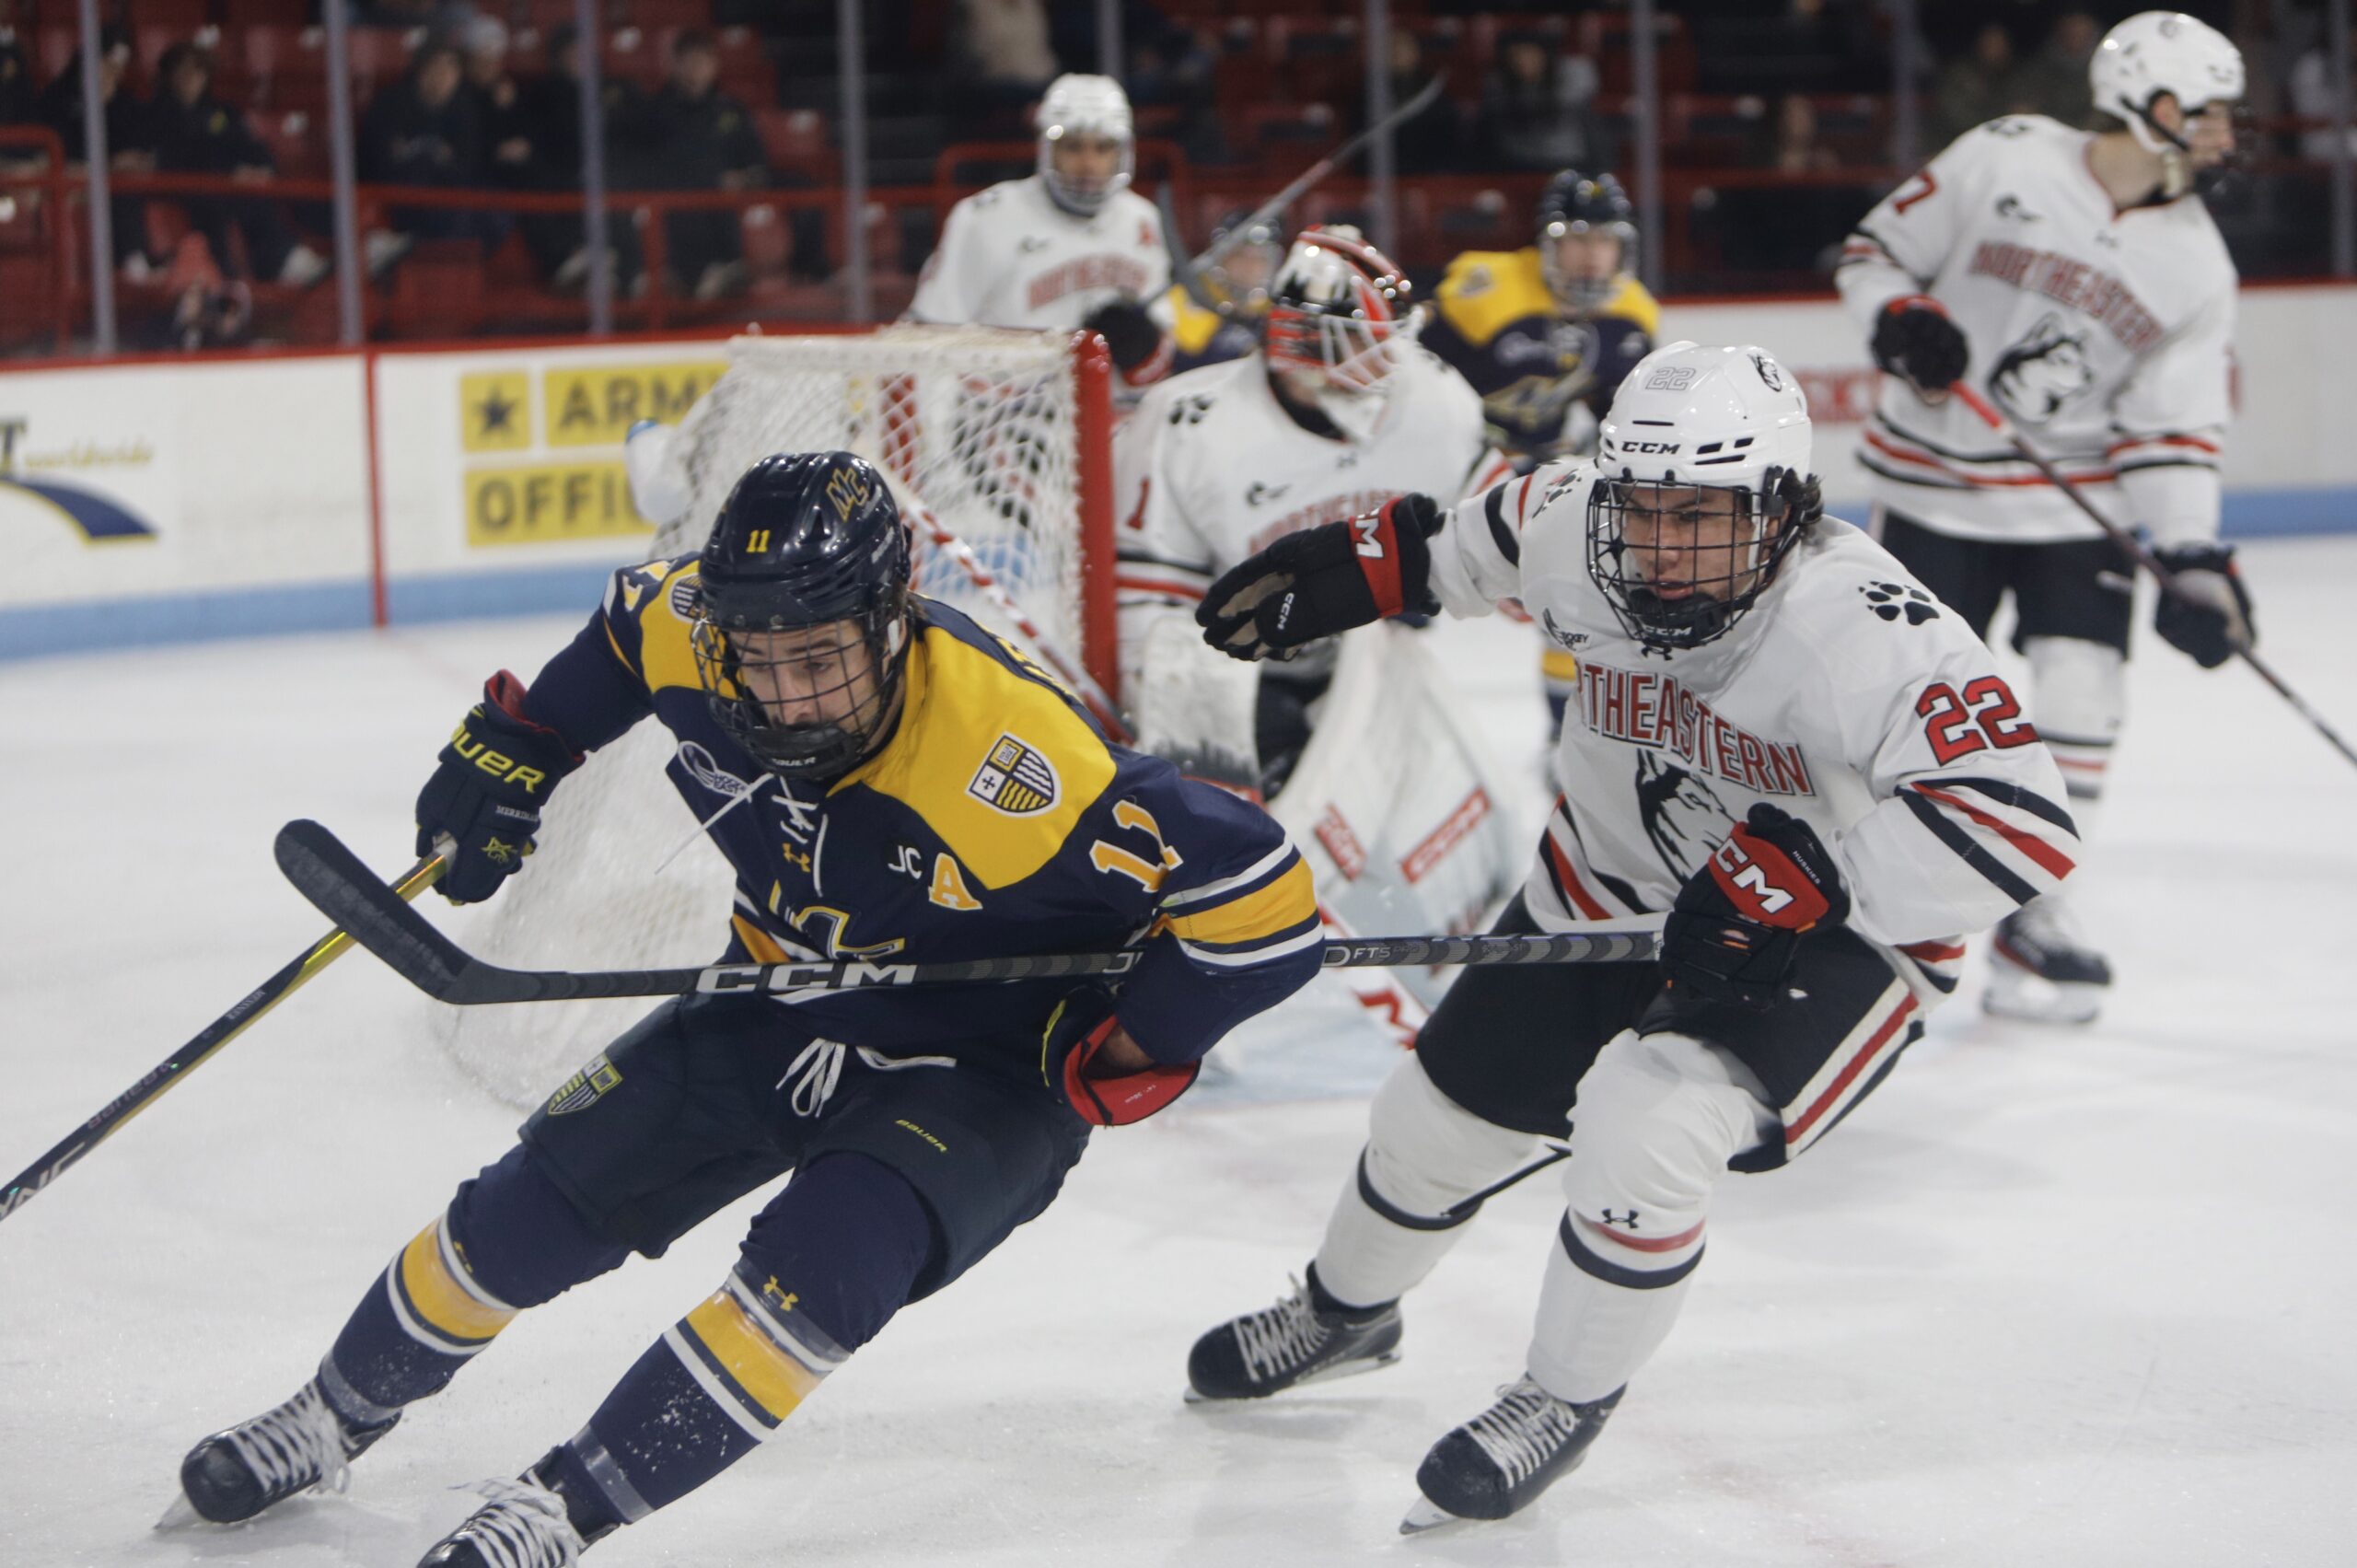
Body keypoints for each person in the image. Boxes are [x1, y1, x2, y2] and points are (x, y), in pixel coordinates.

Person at [166, 451, 1324, 1567]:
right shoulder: (688, 626)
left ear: (890, 619)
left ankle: (552, 1514)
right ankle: (328, 1416)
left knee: (818, 1273)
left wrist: (1130, 1043)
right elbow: (622, 640)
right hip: (773, 993)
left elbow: (1263, 901)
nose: (780, 690)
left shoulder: (1009, 760)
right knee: (526, 1208)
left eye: (818, 656)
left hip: (981, 1065)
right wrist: (524, 742)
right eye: (754, 655)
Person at [1182, 342, 2080, 1531]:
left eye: (1699, 515)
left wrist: (1815, 881)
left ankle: (1563, 1391)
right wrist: (1355, 569)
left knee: (1642, 1119)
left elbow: (2021, 825)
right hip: (1607, 882)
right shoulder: (1572, 523)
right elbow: (1458, 545)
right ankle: (1346, 1311)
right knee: (1426, 1123)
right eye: (1639, 507)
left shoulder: (1866, 627)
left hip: (1829, 935)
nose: (1658, 545)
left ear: (1783, 506)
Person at [1837, 10, 2253, 1025]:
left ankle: (2037, 913)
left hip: (2075, 501)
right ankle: (1866, 913)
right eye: (2201, 112)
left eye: (2224, 117)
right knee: (1901, 714)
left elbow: (2171, 428)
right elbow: (1872, 254)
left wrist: (2191, 554)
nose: (2220, 136)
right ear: (2140, 103)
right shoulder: (2004, 154)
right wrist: (1899, 322)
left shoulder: (2197, 264)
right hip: (1937, 487)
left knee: (2083, 695)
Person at [1114, 226, 1495, 796]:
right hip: (1235, 670)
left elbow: (1490, 533)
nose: (1394, 358)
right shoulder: (1188, 427)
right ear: (1306, 340)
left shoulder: (1437, 399)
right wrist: (1199, 725)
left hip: (1370, 667)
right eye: (1367, 340)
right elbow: (1150, 612)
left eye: (1390, 338)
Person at [1421, 168, 1658, 745]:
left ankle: (1568, 738)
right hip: (1445, 467)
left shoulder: (1632, 313)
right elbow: (1409, 386)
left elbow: (1622, 420)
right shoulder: (1485, 293)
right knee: (1402, 596)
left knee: (1586, 580)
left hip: (1529, 468)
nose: (1591, 257)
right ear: (1546, 243)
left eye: (1604, 241)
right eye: (1577, 239)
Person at [909, 73, 1174, 392]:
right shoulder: (985, 217)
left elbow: (1157, 365)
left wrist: (1142, 347)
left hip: (1112, 424)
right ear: (1046, 148)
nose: (1089, 163)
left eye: (1103, 148)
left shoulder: (1141, 219)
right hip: (1003, 423)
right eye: (1073, 147)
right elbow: (930, 337)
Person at [147, 42, 328, 288]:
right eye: (183, 70)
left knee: (274, 192)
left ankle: (299, 256)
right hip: (190, 191)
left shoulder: (223, 112)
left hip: (229, 188)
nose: (191, 78)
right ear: (170, 75)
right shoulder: (158, 115)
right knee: (244, 202)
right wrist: (230, 173)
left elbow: (252, 146)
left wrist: (260, 167)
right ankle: (271, 265)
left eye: (197, 70)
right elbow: (177, 158)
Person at [629, 28, 768, 302]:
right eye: (689, 61)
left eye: (703, 62)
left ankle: (727, 271)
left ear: (714, 65)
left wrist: (743, 179)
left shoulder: (731, 110)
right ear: (676, 65)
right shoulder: (654, 113)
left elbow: (757, 163)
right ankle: (696, 277)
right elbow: (642, 167)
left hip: (724, 202)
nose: (696, 69)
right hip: (676, 204)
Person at [357, 37, 484, 278]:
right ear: (420, 70)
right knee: (421, 170)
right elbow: (379, 162)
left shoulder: (464, 110)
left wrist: (433, 160)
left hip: (446, 198)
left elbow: (466, 168)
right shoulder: (391, 102)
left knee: (483, 212)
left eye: (450, 67)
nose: (443, 74)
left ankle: (408, 244)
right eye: (436, 66)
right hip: (397, 194)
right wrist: (434, 158)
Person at [1163, 207, 1283, 375]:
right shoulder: (1183, 298)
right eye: (1240, 254)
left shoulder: (1277, 308)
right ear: (1220, 256)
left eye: (1260, 258)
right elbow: (1180, 362)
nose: (1250, 266)